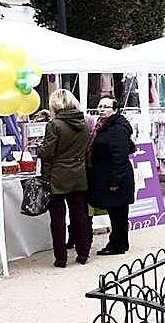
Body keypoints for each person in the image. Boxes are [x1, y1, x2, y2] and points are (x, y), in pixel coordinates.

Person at [37, 89, 91, 267]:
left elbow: (48, 153)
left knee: (58, 220)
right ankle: (83, 253)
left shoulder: (54, 125)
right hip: (78, 174)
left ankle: (61, 258)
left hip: (57, 176)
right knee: (79, 216)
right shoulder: (84, 123)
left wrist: (39, 149)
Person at [87, 98, 136, 256]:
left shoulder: (118, 128)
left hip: (116, 176)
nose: (101, 109)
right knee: (116, 212)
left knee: (118, 213)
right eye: (100, 106)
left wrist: (115, 180)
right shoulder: (104, 126)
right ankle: (119, 242)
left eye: (106, 107)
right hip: (107, 174)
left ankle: (117, 245)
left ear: (114, 110)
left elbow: (119, 156)